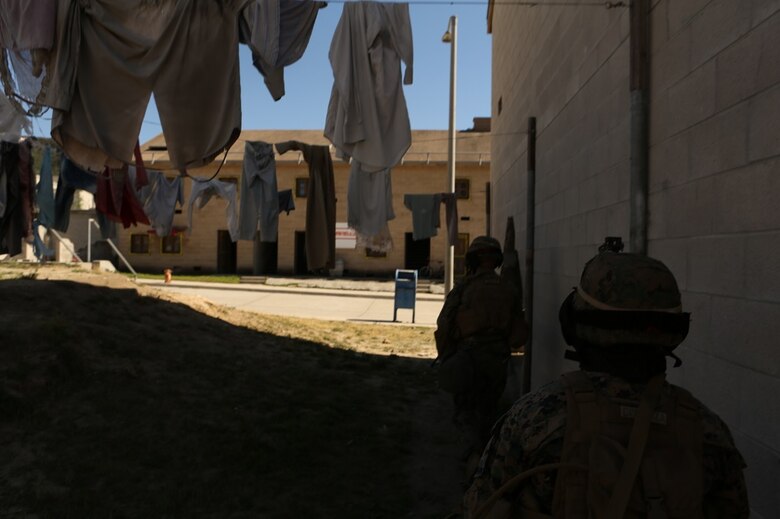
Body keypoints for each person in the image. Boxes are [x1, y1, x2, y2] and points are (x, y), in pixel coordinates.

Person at [463, 237, 749, 518]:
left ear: (573, 326)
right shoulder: (708, 431)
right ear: (673, 333)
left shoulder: (535, 418)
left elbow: (481, 506)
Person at [435, 236, 527, 455]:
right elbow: (518, 330)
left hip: (469, 357)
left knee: (466, 411)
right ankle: (485, 457)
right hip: (497, 360)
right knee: (488, 411)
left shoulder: (465, 287)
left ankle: (471, 460)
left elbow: (445, 322)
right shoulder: (509, 289)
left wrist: (446, 353)